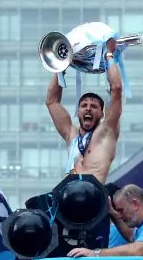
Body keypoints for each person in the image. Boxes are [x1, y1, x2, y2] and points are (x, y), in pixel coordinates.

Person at [45, 38, 124, 183]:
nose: (88, 108)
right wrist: (61, 65)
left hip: (93, 196)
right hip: (69, 196)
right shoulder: (71, 134)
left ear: (101, 113)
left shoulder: (107, 131)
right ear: (78, 111)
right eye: (83, 105)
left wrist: (109, 55)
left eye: (94, 106)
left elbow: (116, 89)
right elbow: (52, 102)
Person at [67, 185, 143, 258]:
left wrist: (94, 253)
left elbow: (137, 250)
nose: (119, 215)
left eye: (121, 210)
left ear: (135, 204)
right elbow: (131, 235)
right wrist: (112, 213)